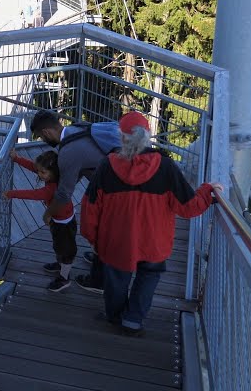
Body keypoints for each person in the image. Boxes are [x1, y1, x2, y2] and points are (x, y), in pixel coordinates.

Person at [81, 111, 220, 337]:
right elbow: (189, 207)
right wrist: (207, 191)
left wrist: (93, 238)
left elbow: (90, 206)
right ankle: (133, 321)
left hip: (116, 241)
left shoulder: (107, 166)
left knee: (116, 278)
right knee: (148, 276)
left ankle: (115, 316)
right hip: (154, 242)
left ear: (122, 137)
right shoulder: (165, 167)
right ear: (147, 136)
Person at [29, 110, 122, 293]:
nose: (42, 140)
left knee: (104, 231)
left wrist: (48, 213)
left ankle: (99, 281)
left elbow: (64, 195)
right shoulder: (76, 129)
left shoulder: (68, 153)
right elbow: (78, 171)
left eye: (41, 137)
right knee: (102, 229)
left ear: (47, 132)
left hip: (117, 192)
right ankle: (98, 258)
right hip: (115, 185)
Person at [3, 148, 76, 292]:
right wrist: (17, 158)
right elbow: (34, 167)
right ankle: (60, 264)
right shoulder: (55, 177)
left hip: (64, 225)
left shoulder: (52, 188)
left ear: (53, 172)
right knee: (59, 247)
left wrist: (11, 193)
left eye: (43, 172)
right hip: (60, 220)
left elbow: (34, 194)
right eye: (40, 171)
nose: (40, 174)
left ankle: (64, 278)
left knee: (65, 251)